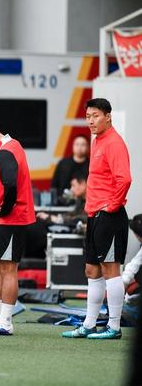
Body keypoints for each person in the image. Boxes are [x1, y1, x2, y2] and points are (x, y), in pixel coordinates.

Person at [63, 98, 131, 340]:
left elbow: (125, 179)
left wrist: (111, 206)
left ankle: (114, 327)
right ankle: (89, 324)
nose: (91, 121)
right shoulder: (97, 140)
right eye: (88, 116)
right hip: (94, 215)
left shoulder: (114, 142)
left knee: (111, 270)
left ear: (108, 116)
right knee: (92, 270)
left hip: (109, 216)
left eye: (96, 116)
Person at [0, 117, 35, 336]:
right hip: (5, 219)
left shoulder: (5, 151)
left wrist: (6, 209)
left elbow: (11, 184)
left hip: (12, 218)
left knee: (8, 267)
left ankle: (6, 321)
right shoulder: (10, 147)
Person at [51, 134, 89, 200]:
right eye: (77, 144)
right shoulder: (63, 163)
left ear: (88, 147)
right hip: (62, 202)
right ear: (73, 146)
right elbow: (54, 185)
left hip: (85, 202)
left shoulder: (91, 165)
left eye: (83, 144)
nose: (79, 147)